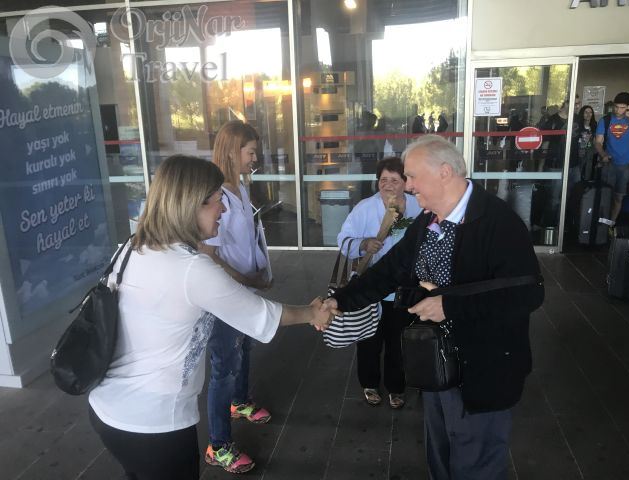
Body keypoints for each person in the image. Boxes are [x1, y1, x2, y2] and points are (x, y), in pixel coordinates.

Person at [88, 155, 331, 480]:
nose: (224, 209)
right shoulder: (191, 269)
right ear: (190, 205)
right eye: (217, 200)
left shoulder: (133, 247)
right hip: (154, 424)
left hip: (107, 408)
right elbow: (260, 315)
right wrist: (313, 312)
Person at [322, 135, 544, 480]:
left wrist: (449, 304)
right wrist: (339, 301)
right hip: (436, 365)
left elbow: (528, 294)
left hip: (484, 373)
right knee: (439, 456)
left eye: (412, 176)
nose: (408, 186)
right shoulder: (428, 220)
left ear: (444, 173)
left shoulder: (498, 222)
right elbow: (389, 271)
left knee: (477, 466)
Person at [199, 121, 273, 473]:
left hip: (245, 289)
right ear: (231, 152)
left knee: (244, 348)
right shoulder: (214, 198)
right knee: (224, 367)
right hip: (224, 296)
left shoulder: (240, 188)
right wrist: (246, 279)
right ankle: (218, 445)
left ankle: (240, 402)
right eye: (251, 152)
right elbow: (209, 256)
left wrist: (258, 273)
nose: (255, 158)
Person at [336, 157, 421, 409]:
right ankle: (369, 382)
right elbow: (343, 239)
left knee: (398, 342)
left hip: (404, 289)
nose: (388, 185)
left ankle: (396, 386)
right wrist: (363, 244)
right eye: (383, 180)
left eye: (394, 180)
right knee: (369, 339)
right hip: (372, 288)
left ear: (406, 182)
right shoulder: (365, 208)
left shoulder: (418, 206)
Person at [594, 91, 629, 225]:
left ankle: (611, 224)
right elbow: (598, 142)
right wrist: (603, 155)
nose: (618, 110)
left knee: (619, 197)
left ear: (628, 107)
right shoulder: (605, 120)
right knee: (605, 195)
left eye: (622, 107)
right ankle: (601, 225)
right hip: (610, 163)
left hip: (628, 165)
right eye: (616, 106)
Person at [569, 105, 598, 183]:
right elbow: (572, 139)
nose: (588, 114)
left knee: (589, 173)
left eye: (590, 112)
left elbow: (596, 141)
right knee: (578, 175)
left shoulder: (595, 125)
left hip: (590, 154)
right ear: (582, 114)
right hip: (578, 153)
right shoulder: (577, 125)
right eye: (586, 112)